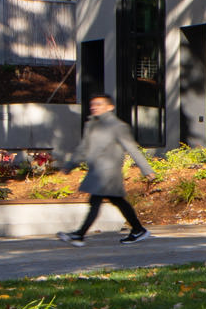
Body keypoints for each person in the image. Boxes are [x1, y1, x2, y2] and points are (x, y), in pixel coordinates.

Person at [56, 94, 156, 246]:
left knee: (95, 201)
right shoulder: (91, 125)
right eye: (93, 104)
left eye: (99, 104)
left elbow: (132, 148)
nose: (94, 107)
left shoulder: (117, 126)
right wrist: (70, 165)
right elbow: (83, 148)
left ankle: (79, 235)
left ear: (110, 107)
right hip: (96, 171)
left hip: (109, 172)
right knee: (117, 201)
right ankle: (138, 229)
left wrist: (146, 169)